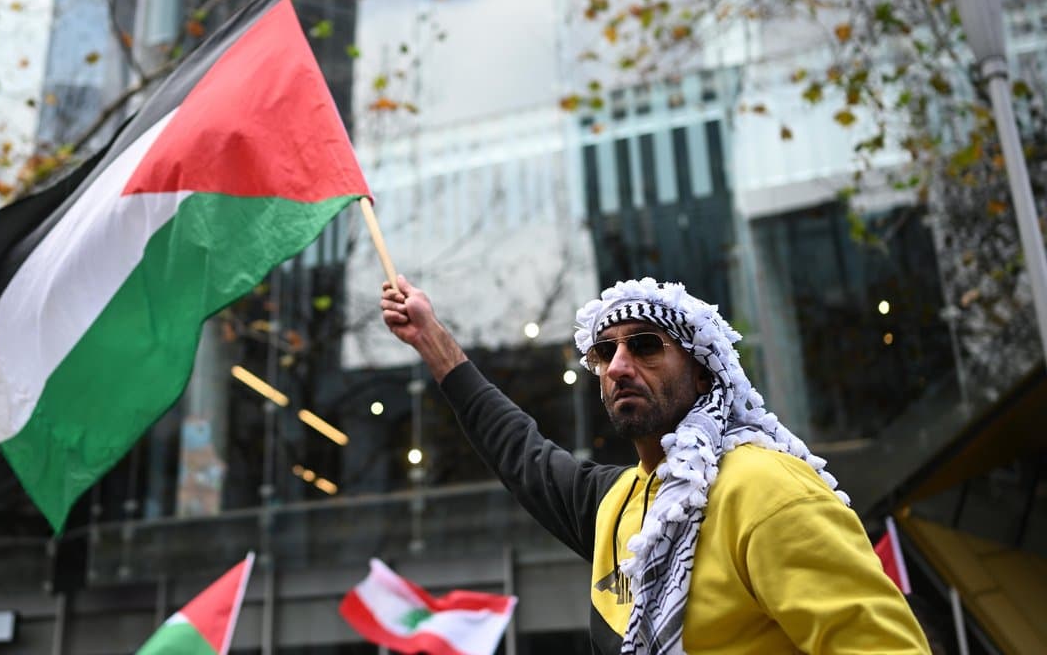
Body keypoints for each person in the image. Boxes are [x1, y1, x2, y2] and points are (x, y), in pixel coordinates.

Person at [380, 274, 930, 654]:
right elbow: (519, 450)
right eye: (604, 352)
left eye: (645, 346)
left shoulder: (768, 489)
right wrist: (432, 341)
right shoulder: (617, 502)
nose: (619, 365)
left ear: (701, 373)